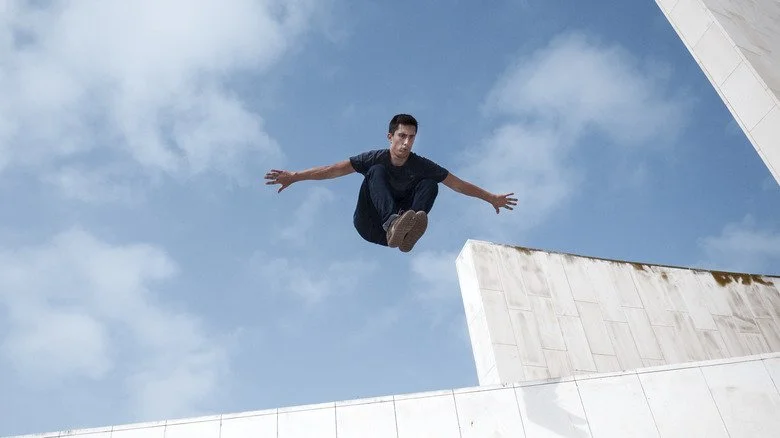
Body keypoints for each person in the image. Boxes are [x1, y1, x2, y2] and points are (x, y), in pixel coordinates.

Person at [264, 114, 517, 252]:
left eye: (412, 138)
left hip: (395, 237)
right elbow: (332, 170)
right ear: (390, 136)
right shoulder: (374, 157)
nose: (407, 143)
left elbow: (458, 185)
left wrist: (491, 198)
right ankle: (393, 223)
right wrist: (295, 176)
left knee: (432, 183)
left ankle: (409, 227)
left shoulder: (421, 164)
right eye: (402, 136)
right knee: (376, 171)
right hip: (370, 223)